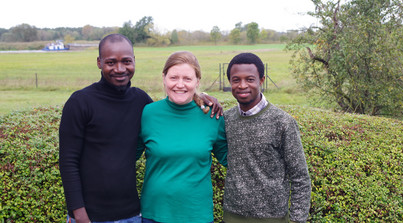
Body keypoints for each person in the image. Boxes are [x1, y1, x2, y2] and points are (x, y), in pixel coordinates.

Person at [59, 34, 221, 223]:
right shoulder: (80, 102)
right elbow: (68, 162)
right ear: (99, 62)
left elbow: (170, 116)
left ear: (134, 61)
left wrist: (200, 97)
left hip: (133, 215)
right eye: (111, 62)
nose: (119, 69)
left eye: (126, 61)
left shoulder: (141, 102)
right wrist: (79, 214)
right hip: (91, 216)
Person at [137, 51, 228, 223]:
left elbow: (232, 161)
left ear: (197, 81)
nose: (180, 85)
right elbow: (126, 157)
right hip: (154, 214)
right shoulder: (148, 113)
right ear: (164, 78)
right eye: (173, 78)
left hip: (197, 215)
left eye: (187, 79)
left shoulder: (213, 117)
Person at [222, 53, 311, 223]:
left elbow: (300, 178)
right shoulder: (226, 120)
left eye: (249, 79)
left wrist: (297, 219)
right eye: (236, 80)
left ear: (261, 80)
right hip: (232, 217)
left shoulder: (283, 122)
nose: (242, 85)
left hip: (273, 218)